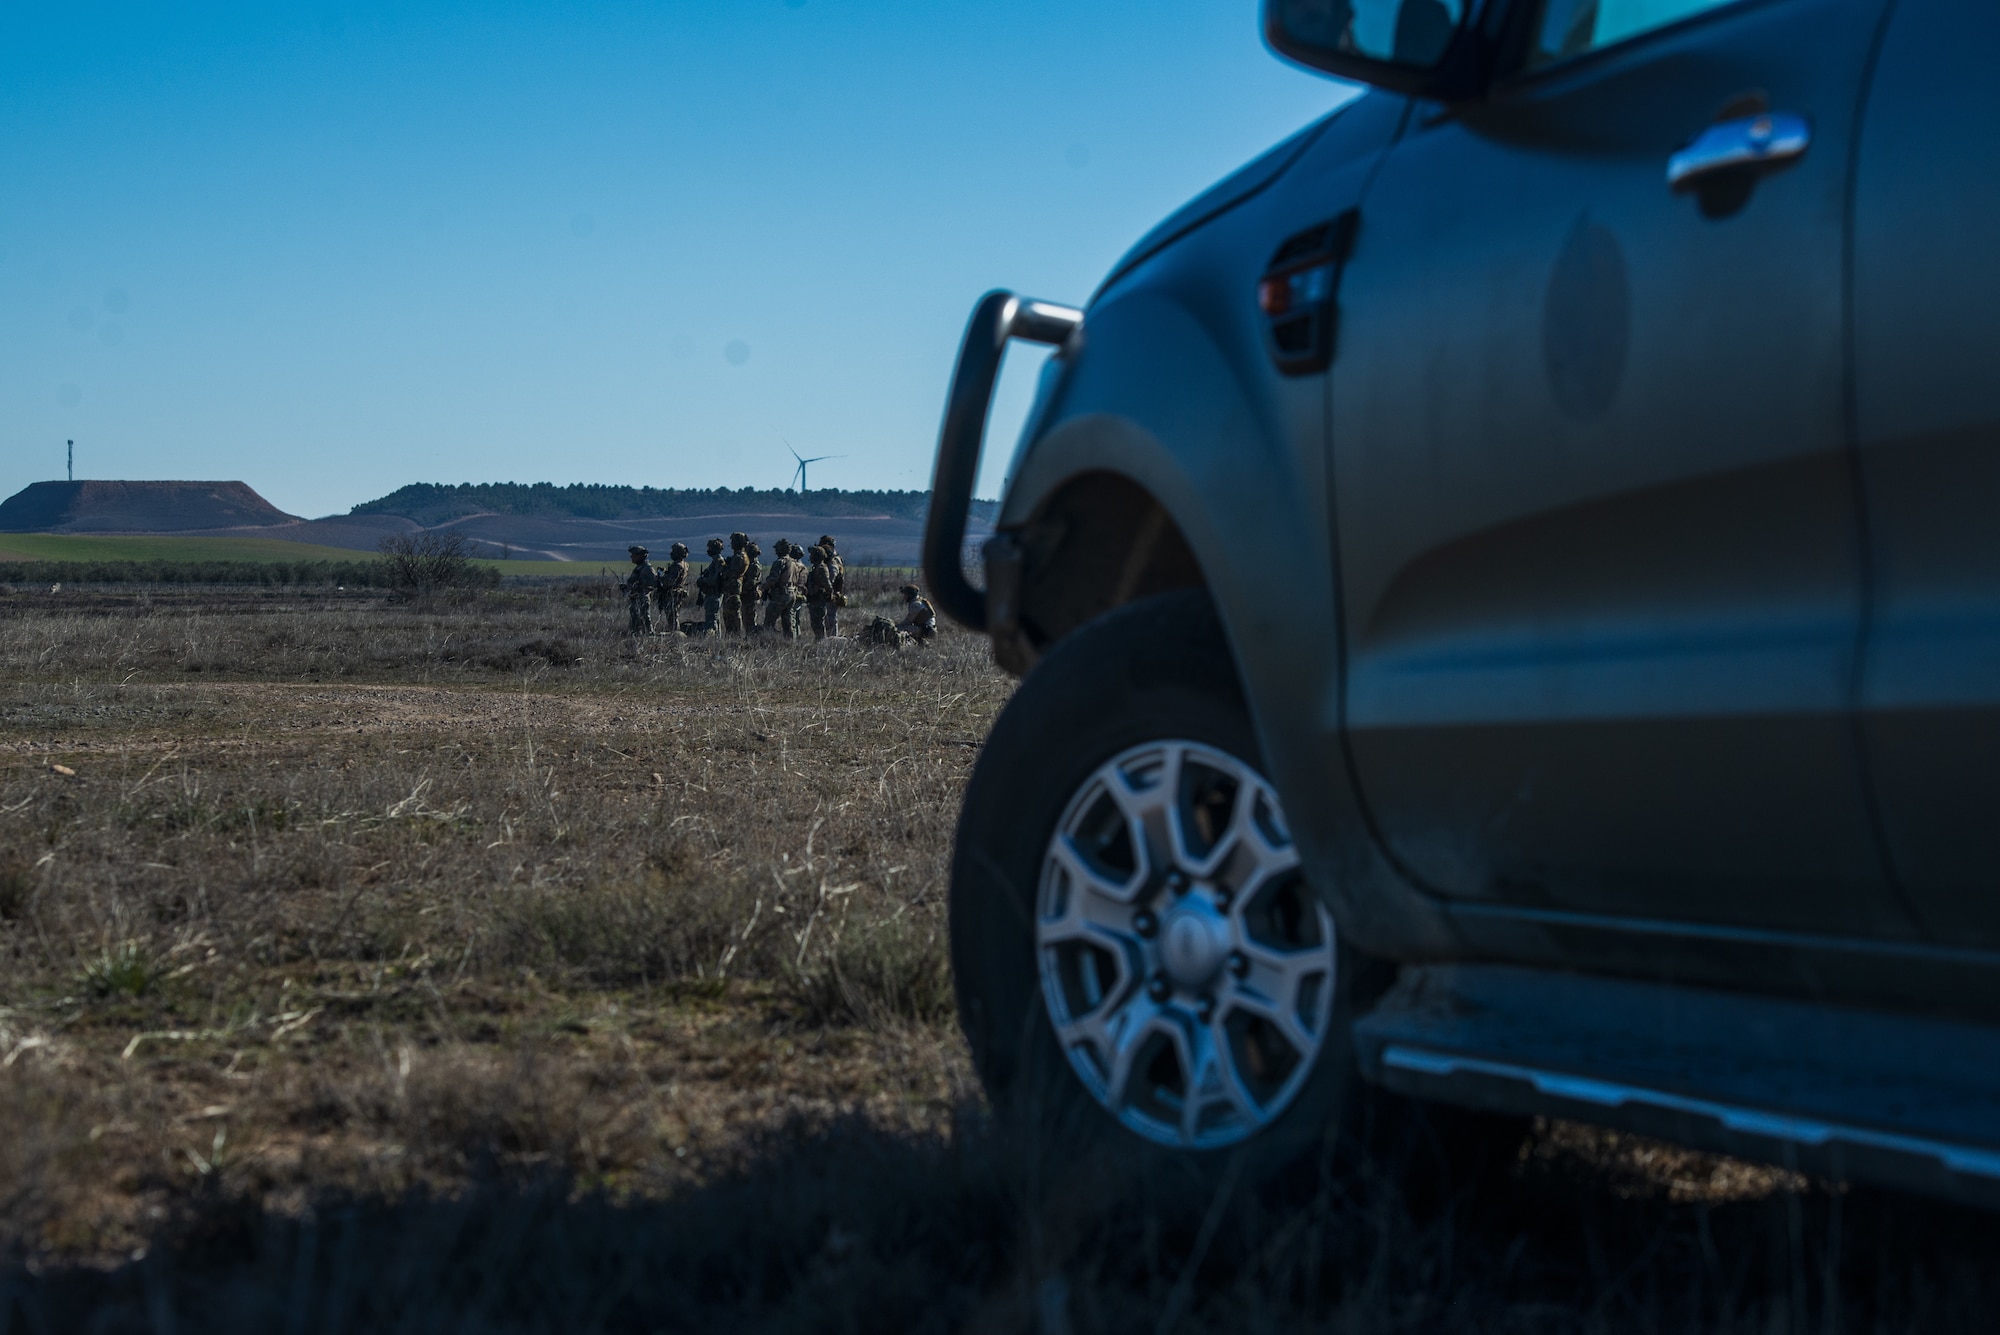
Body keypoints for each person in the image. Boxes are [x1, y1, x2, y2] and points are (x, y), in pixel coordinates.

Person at [761, 541, 799, 637]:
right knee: (788, 621)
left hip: (780, 594)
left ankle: (768, 640)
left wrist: (763, 588)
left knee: (769, 620)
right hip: (792, 593)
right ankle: (790, 641)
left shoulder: (780, 562)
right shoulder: (794, 563)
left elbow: (773, 579)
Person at [620, 546, 660, 635]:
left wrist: (639, 587)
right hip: (635, 598)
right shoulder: (639, 568)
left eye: (634, 555)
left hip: (642, 598)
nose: (632, 557)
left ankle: (649, 635)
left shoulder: (647, 568)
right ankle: (636, 635)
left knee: (645, 617)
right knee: (635, 619)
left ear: (641, 556)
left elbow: (653, 584)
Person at [656, 541, 690, 631]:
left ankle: (675, 634)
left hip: (672, 594)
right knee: (674, 615)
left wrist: (661, 577)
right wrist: (666, 571)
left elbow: (670, 581)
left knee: (672, 617)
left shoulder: (677, 566)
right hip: (678, 592)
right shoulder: (685, 564)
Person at [696, 537, 728, 633]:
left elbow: (714, 579)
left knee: (712, 619)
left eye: (710, 548)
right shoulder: (715, 561)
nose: (708, 550)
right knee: (714, 618)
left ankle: (713, 639)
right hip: (711, 594)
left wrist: (703, 580)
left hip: (715, 593)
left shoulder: (719, 561)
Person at [805, 544, 836, 641]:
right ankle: (820, 640)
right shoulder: (817, 567)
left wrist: (828, 594)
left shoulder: (821, 568)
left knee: (818, 623)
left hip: (818, 600)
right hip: (815, 600)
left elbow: (828, 585)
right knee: (815, 623)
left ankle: (821, 642)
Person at [720, 532, 749, 634]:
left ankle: (736, 633)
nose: (731, 544)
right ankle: (731, 633)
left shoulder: (739, 557)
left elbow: (732, 572)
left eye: (733, 541)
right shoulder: (738, 556)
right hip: (731, 586)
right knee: (728, 612)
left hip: (733, 586)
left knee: (733, 612)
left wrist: (724, 569)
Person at [818, 534, 846, 637]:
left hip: (831, 592)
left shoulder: (833, 560)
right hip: (831, 591)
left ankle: (833, 639)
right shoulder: (835, 558)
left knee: (830, 618)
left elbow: (832, 577)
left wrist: (826, 587)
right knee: (828, 618)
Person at [741, 540, 763, 635]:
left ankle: (753, 636)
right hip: (747, 595)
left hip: (750, 595)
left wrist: (742, 589)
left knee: (749, 618)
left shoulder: (754, 566)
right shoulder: (750, 564)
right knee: (746, 618)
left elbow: (751, 582)